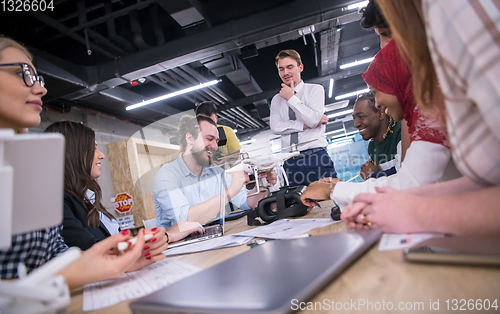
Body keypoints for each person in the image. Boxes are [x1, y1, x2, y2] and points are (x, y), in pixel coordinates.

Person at [0, 37, 155, 288]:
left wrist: (119, 260)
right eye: (23, 73)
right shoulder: (58, 196)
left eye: (38, 78)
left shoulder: (27, 176)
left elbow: (55, 256)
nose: (41, 89)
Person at [341, 0, 500, 235]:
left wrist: (415, 210)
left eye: (387, 34)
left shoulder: (450, 11)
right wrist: (403, 203)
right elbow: (484, 184)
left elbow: (412, 181)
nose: (384, 49)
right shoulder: (436, 87)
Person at [300, 38, 453, 209]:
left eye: (376, 92)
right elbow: (403, 175)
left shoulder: (429, 115)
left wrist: (333, 189)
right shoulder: (418, 117)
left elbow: (409, 187)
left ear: (396, 82)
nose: (378, 102)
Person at [43, 121, 205, 251]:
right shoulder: (59, 202)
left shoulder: (86, 198)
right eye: (94, 148)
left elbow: (121, 242)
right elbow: (100, 251)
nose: (101, 155)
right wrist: (166, 235)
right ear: (73, 154)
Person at [153, 115, 277, 229]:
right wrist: (229, 192)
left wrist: (262, 184)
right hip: (180, 248)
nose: (215, 146)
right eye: (209, 139)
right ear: (190, 138)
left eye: (216, 141)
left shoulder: (216, 171)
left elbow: (247, 203)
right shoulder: (166, 175)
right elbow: (186, 220)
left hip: (212, 238)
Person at [269, 49, 336, 186]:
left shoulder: (315, 90)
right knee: (296, 204)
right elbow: (275, 127)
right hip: (289, 161)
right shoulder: (276, 99)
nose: (285, 73)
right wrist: (302, 125)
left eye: (289, 67)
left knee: (330, 199)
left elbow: (312, 120)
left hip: (315, 157)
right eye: (281, 69)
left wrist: (291, 98)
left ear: (300, 67)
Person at [353, 92, 401, 180]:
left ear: (381, 114)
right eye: (354, 118)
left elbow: (405, 175)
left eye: (361, 116)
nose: (356, 124)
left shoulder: (400, 132)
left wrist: (374, 175)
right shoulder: (372, 147)